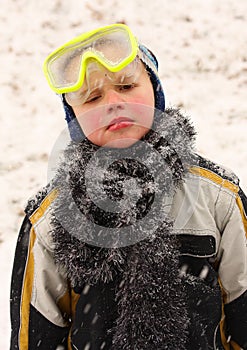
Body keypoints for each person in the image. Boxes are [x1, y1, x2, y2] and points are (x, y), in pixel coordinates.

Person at [10, 23, 247, 350]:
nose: (112, 102)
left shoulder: (217, 197)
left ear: (154, 91)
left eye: (125, 85)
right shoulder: (50, 220)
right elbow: (35, 336)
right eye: (92, 97)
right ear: (75, 119)